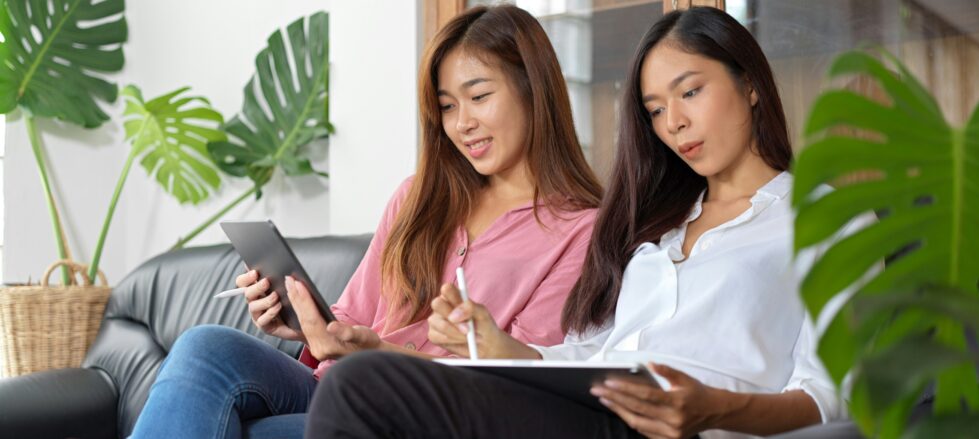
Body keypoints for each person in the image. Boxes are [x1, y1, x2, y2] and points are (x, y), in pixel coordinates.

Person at [305, 7, 870, 439]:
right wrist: (496, 343)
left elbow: (832, 394)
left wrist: (713, 407)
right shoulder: (655, 231)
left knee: (363, 384)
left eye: (690, 92)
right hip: (593, 406)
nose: (674, 122)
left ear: (749, 83)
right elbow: (588, 354)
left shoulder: (830, 219)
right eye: (653, 110)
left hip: (683, 426)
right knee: (359, 386)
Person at [129, 5, 602, 439]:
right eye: (447, 106)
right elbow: (354, 317)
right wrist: (305, 323)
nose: (461, 124)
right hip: (336, 386)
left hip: (422, 415)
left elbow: (519, 382)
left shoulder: (583, 231)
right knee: (206, 347)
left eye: (478, 97)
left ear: (533, 89)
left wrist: (374, 354)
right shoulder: (417, 197)